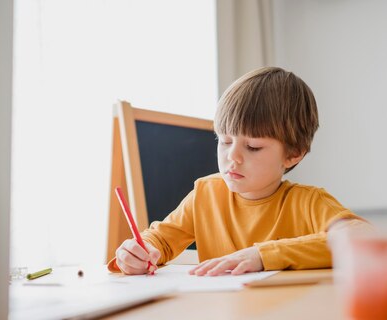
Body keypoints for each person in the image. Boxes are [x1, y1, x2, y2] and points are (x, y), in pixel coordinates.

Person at [108, 66, 369, 276]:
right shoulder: (206, 194)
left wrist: (263, 255)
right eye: (225, 141)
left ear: (293, 154)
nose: (232, 156)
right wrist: (140, 253)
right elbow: (161, 240)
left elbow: (360, 239)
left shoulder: (308, 202)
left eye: (253, 147)